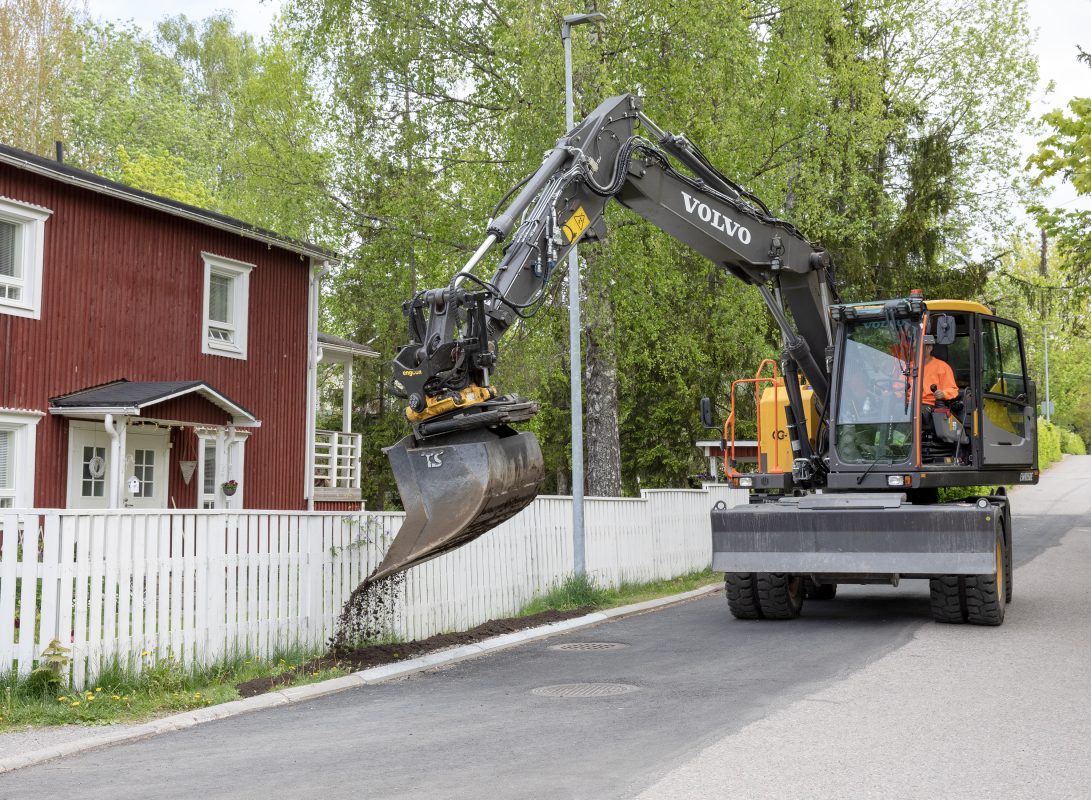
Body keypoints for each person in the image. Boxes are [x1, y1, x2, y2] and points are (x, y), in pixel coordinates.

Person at [920, 334, 959, 407]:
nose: (915, 349)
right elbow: (899, 387)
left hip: (928, 404)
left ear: (929, 348)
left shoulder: (942, 367)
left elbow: (952, 390)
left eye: (919, 346)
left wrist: (943, 394)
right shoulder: (910, 366)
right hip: (907, 404)